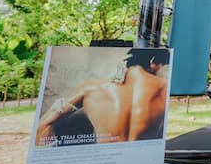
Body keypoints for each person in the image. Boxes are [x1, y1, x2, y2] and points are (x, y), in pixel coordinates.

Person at [35, 48, 170, 146]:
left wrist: (55, 158)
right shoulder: (164, 87)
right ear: (154, 62)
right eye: (162, 67)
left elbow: (43, 124)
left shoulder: (90, 88)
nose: (160, 71)